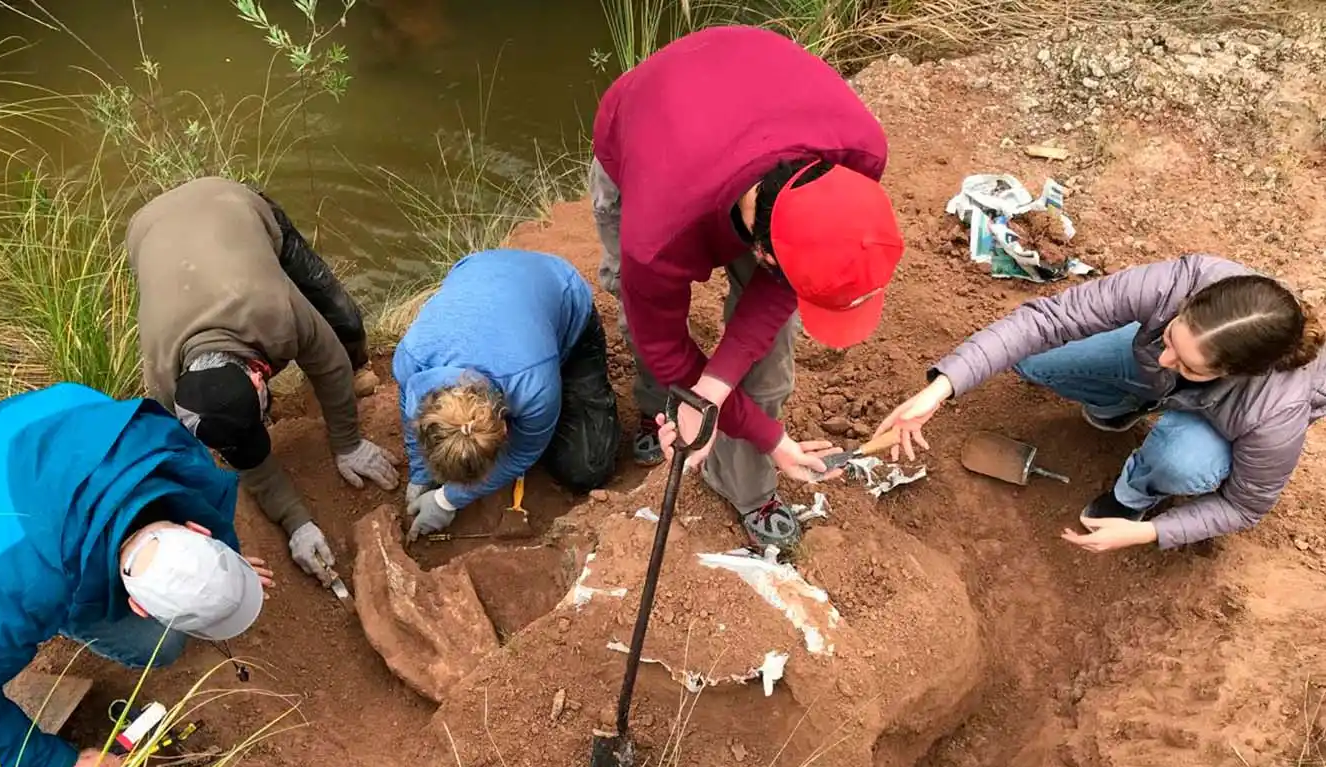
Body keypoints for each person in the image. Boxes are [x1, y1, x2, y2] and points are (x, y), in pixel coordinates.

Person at [590, 24, 905, 552]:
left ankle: (745, 487)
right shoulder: (657, 235)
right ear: (761, 255)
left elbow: (777, 294)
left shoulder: (860, 153)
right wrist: (696, 396)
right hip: (643, 136)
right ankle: (656, 408)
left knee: (768, 350)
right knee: (643, 313)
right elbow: (665, 346)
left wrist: (726, 402)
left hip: (741, 109)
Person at [0, 383, 273, 767]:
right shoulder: (16, 580)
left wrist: (223, 567)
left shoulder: (176, 454)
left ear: (196, 529)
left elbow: (199, 511)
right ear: (137, 606)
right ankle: (68, 612)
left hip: (47, 423)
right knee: (158, 647)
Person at [876, 254, 1326, 553]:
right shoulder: (1177, 284)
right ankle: (1123, 405)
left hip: (1221, 417)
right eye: (1169, 337)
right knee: (1037, 355)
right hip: (1181, 371)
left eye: (1187, 365)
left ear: (1232, 373)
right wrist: (941, 387)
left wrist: (1150, 533)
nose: (1167, 358)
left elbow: (1245, 506)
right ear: (1188, 304)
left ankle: (1133, 494)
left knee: (1181, 460)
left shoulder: (1274, 411)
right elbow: (1048, 320)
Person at [127, 175, 398, 588]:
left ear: (259, 378)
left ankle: (364, 358)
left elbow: (327, 364)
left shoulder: (274, 311)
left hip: (231, 204)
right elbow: (243, 457)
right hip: (149, 232)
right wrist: (297, 524)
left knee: (340, 314)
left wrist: (348, 444)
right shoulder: (164, 385)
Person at [393, 249, 620, 540]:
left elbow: (524, 450)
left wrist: (446, 500)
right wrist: (419, 475)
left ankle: (565, 365)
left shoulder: (533, 384)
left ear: (503, 425)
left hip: (559, 292)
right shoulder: (413, 360)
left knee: (587, 468)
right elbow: (410, 417)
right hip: (479, 271)